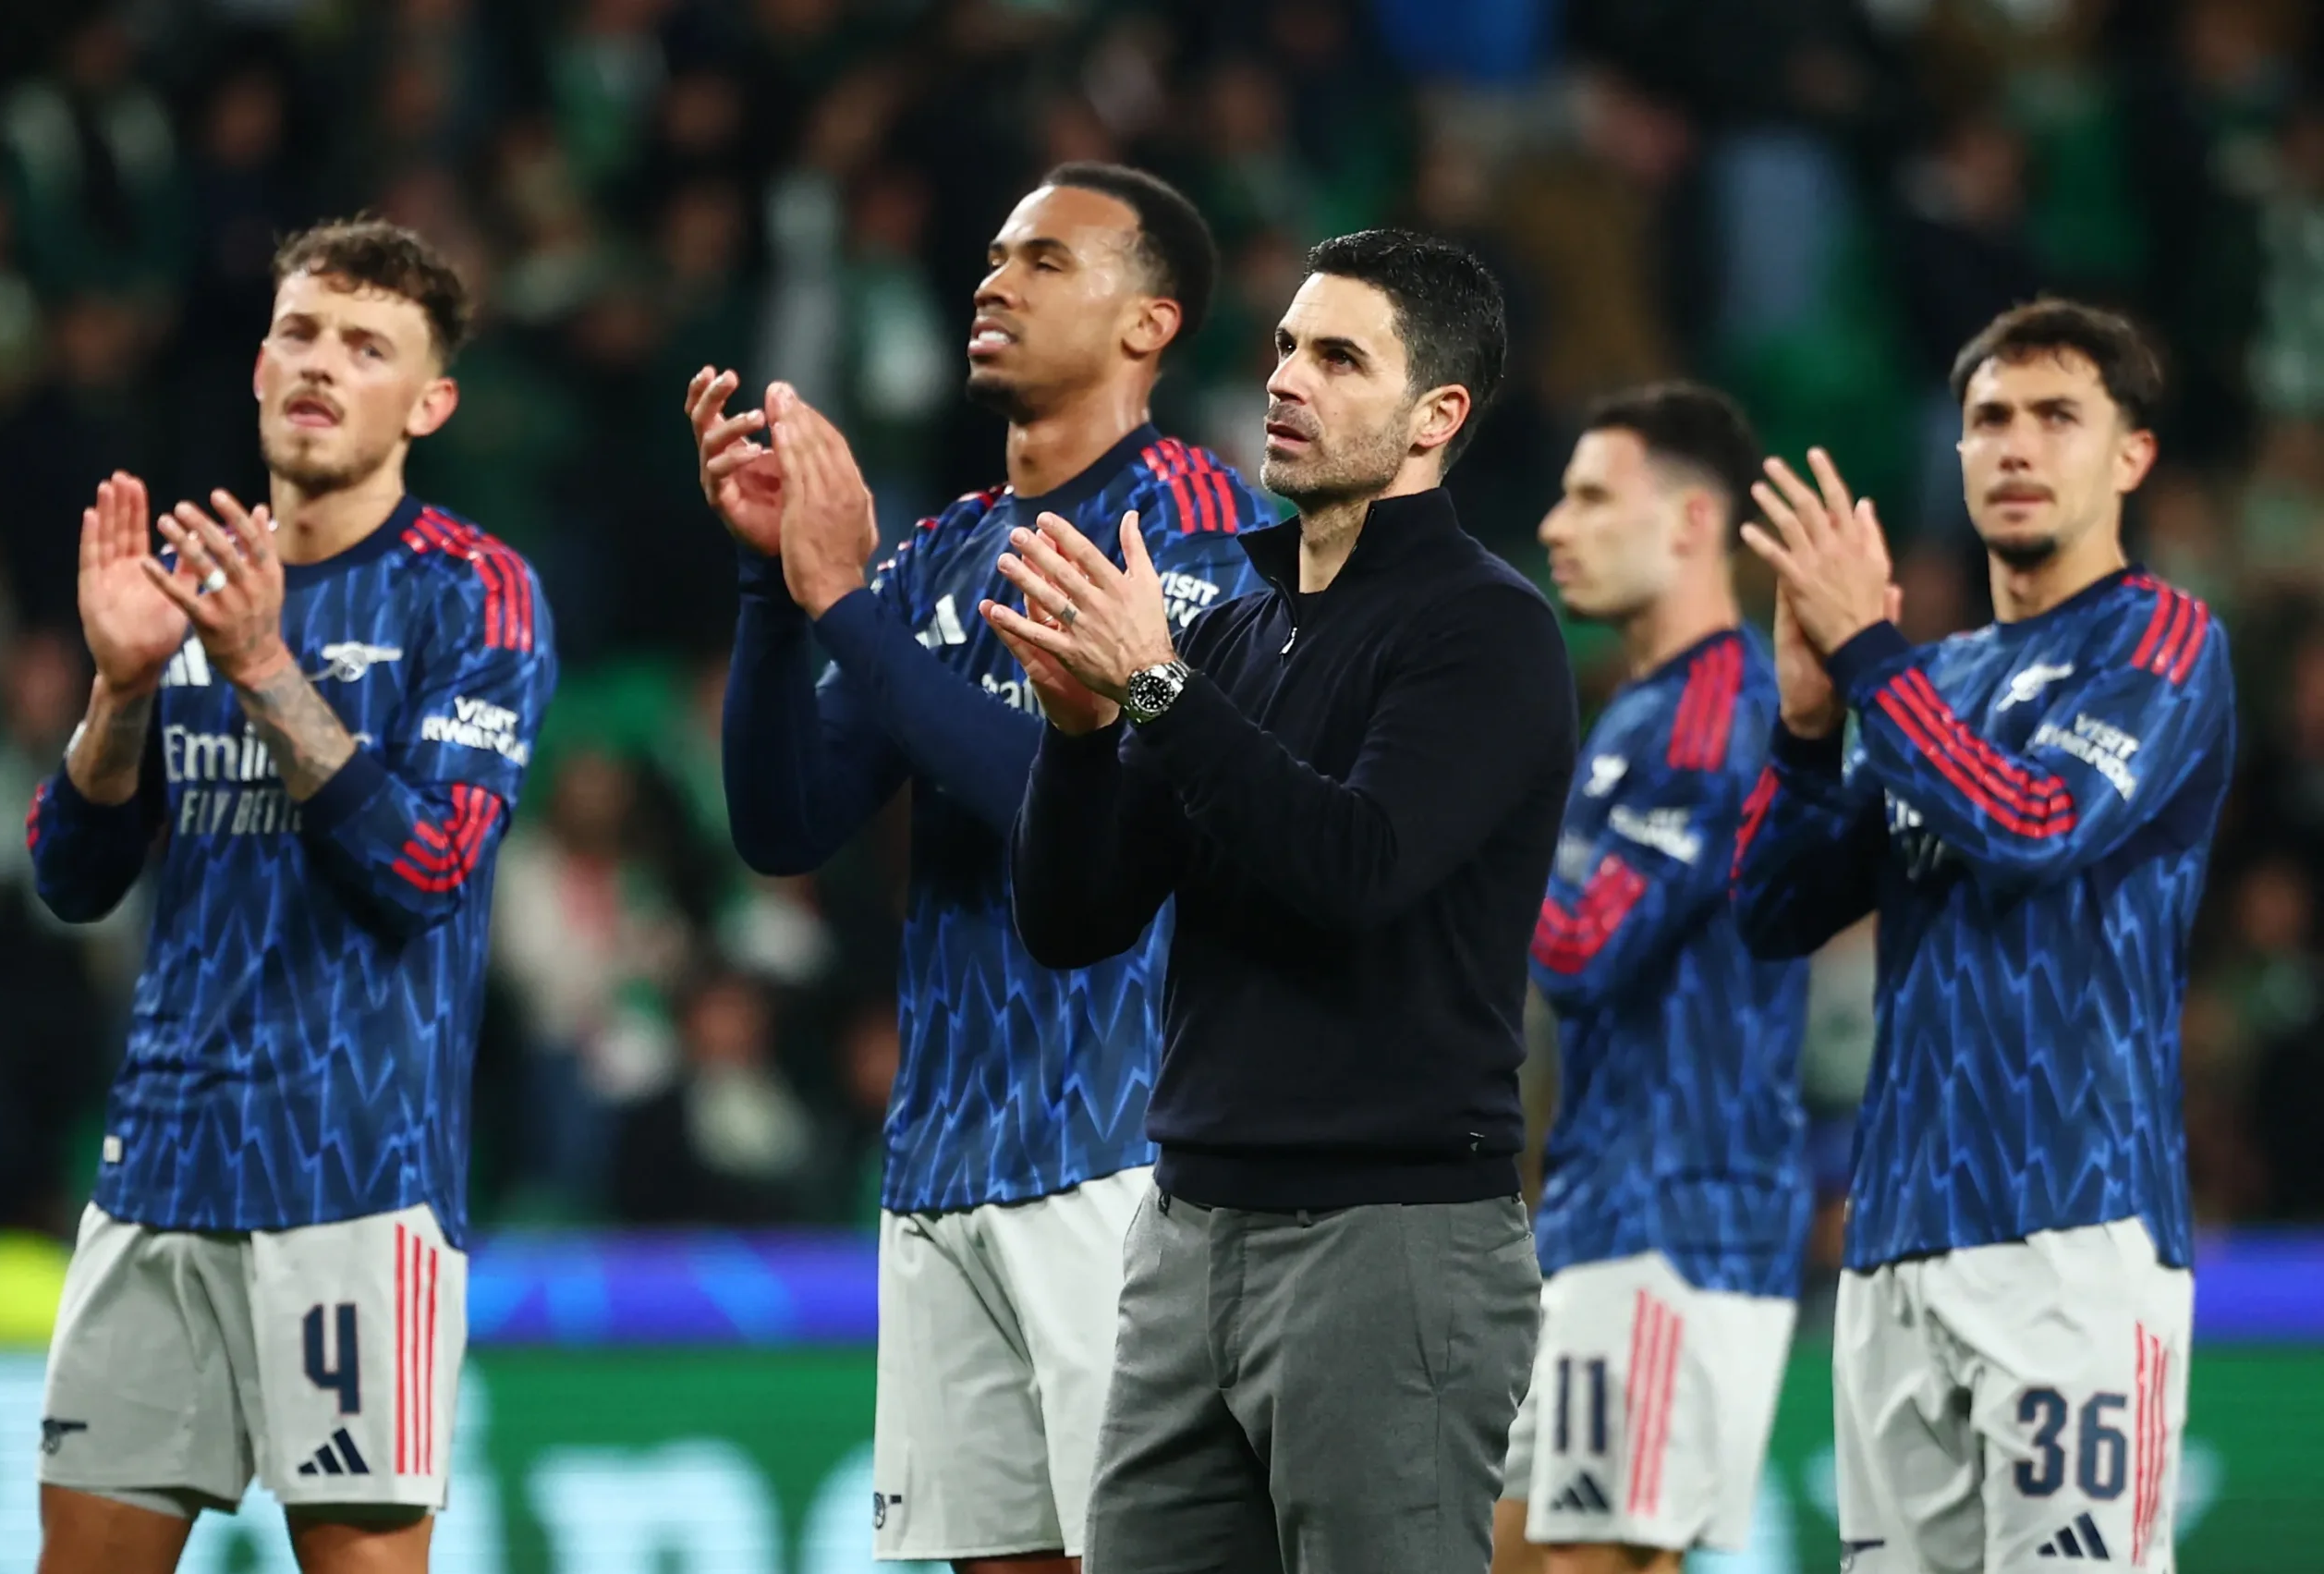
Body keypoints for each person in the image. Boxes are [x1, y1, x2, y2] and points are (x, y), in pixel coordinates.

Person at [687, 162, 1276, 1572]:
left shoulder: (1197, 532)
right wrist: (777, 588)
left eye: (1047, 261)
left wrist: (842, 601)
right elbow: (785, 820)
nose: (993, 279)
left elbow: (1077, 804)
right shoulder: (946, 548)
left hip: (1123, 1156)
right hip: (946, 1155)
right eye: (996, 253)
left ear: (1150, 322)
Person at [987, 228, 1576, 1574]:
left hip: (1391, 1241)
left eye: (1338, 356)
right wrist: (1080, 739)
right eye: (1285, 348)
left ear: (1439, 417)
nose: (1287, 379)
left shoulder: (1486, 630)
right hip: (1190, 1234)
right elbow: (1073, 921)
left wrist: (1157, 693)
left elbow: (1355, 870)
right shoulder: (1230, 631)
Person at [25, 220, 554, 1573]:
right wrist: (122, 692)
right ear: (261, 366)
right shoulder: (188, 586)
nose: (324, 365)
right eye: (304, 334)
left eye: (368, 346)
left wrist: (261, 665)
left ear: (428, 402)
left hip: (357, 1183)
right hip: (160, 1168)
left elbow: (424, 869)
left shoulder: (475, 594)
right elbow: (71, 876)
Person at [1734, 299, 2232, 1573]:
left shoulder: (2164, 641)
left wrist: (1864, 652)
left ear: (2132, 455)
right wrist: (1800, 729)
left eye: (2058, 415)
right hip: (1898, 1240)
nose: (2016, 444)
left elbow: (2037, 818)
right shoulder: (1938, 679)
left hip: (2071, 1224)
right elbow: (1774, 909)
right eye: (1989, 419)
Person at [1493, 384, 1815, 1574]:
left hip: (1680, 1220)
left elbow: (1584, 950)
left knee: (1602, 1562)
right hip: (1603, 1210)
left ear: (1690, 523)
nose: (1554, 526)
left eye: (1590, 497)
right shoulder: (1641, 712)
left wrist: (1476, 817)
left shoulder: (1724, 708)